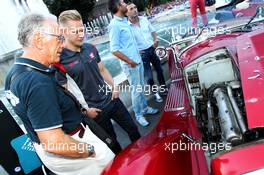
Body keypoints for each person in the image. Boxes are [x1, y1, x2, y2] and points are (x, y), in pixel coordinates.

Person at [4, 13, 114, 175]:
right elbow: (54, 143)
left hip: (53, 152)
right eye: (58, 38)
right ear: (39, 40)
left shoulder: (14, 73)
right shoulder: (37, 82)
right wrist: (91, 150)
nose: (62, 44)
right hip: (74, 146)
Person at [54, 10, 141, 154]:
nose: (81, 34)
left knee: (133, 130)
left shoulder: (90, 47)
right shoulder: (59, 60)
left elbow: (102, 69)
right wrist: (85, 110)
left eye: (82, 29)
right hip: (95, 112)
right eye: (76, 31)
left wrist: (114, 87)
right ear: (64, 32)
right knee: (112, 145)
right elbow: (65, 93)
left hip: (112, 100)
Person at [108, 0, 159, 127]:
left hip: (138, 60)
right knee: (136, 90)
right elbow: (114, 49)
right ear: (118, 7)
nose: (125, 4)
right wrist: (130, 61)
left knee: (140, 87)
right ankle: (138, 115)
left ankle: (145, 108)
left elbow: (129, 44)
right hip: (131, 64)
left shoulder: (125, 21)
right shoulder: (114, 25)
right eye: (123, 2)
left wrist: (137, 55)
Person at [126, 3, 168, 103]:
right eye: (131, 9)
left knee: (159, 70)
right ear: (126, 13)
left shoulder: (144, 20)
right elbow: (128, 43)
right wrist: (136, 52)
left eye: (135, 7)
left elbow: (153, 31)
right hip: (142, 54)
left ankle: (163, 89)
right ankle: (155, 93)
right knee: (149, 77)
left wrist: (156, 40)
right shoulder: (127, 27)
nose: (135, 10)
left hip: (152, 49)